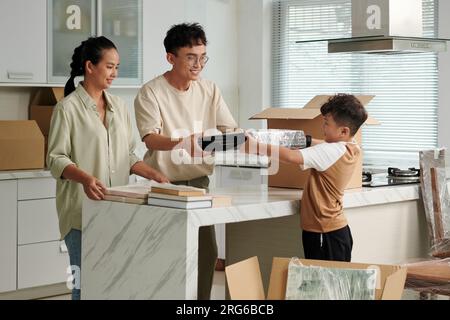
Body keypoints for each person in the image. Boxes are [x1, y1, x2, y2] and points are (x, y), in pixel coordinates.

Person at [47, 36, 169, 300]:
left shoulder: (120, 108)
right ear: (90, 67)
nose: (115, 73)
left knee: (112, 282)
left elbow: (127, 155)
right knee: (84, 283)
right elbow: (56, 158)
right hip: (80, 212)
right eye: (110, 66)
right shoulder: (66, 109)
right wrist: (86, 178)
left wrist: (154, 174)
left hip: (116, 209)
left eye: (117, 67)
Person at [134, 23, 238, 299]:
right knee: (165, 255)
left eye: (203, 56)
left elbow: (231, 131)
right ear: (171, 57)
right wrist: (182, 142)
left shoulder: (210, 90)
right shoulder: (151, 91)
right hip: (163, 186)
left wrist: (222, 142)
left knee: (206, 254)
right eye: (191, 57)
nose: (198, 64)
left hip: (200, 184)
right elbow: (150, 138)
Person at [242, 94, 368, 262]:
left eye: (326, 123)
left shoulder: (330, 152)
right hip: (334, 231)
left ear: (343, 131)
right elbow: (321, 145)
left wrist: (257, 146)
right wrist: (301, 139)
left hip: (324, 232)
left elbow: (292, 157)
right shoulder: (351, 147)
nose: (323, 127)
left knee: (321, 286)